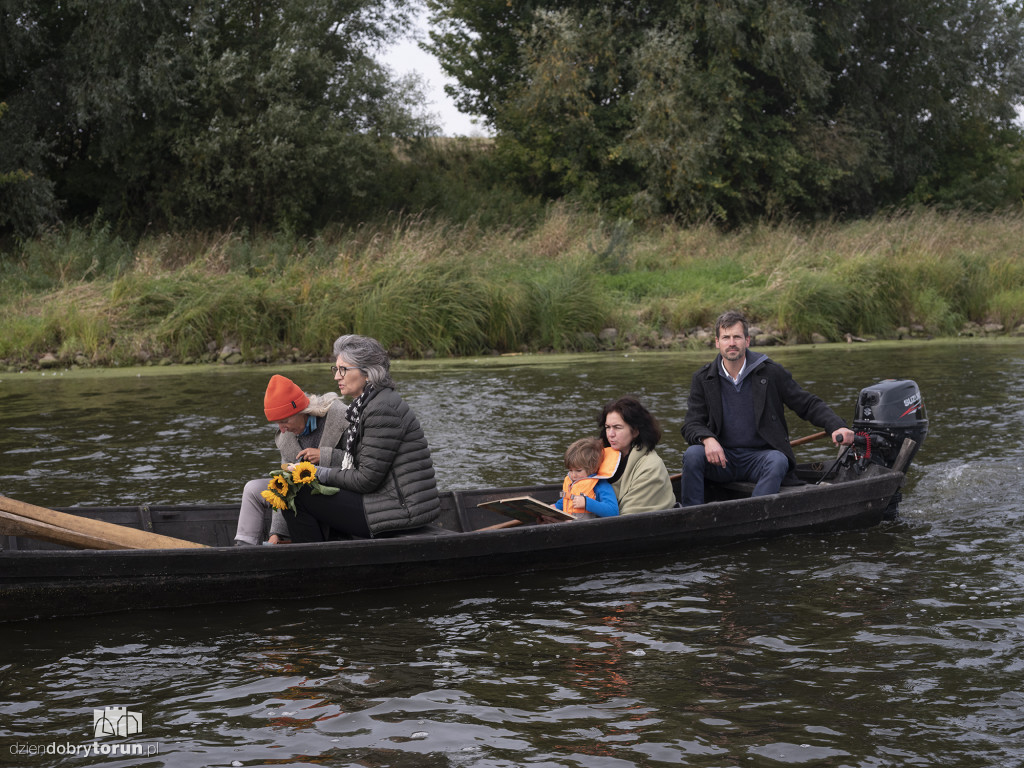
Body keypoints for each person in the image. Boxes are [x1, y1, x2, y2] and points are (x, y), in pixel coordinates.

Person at [680, 310, 855, 507]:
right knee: (693, 454)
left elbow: (807, 403)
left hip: (760, 459)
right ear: (716, 342)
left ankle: (754, 515)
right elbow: (691, 423)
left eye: (737, 337)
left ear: (747, 341)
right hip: (722, 460)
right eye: (726, 337)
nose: (731, 343)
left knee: (778, 460)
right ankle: (691, 514)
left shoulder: (771, 372)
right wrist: (708, 439)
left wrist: (836, 426)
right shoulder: (703, 378)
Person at [281, 334, 441, 542]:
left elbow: (365, 480)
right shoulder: (367, 405)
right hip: (387, 501)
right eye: (336, 369)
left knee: (295, 493)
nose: (337, 377)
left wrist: (316, 472)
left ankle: (315, 563)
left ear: (368, 373)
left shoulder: (382, 409)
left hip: (401, 510)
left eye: (343, 370)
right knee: (305, 486)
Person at [234, 374, 348, 545]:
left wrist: (325, 456)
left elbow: (362, 462)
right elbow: (283, 485)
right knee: (252, 489)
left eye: (285, 421)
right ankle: (243, 548)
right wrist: (277, 534)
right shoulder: (286, 439)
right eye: (277, 423)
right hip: (302, 498)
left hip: (337, 494)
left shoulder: (340, 417)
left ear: (301, 411)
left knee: (298, 493)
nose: (282, 430)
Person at [596, 396, 676, 514]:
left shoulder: (651, 466)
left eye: (617, 427)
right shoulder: (600, 458)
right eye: (608, 427)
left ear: (635, 431)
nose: (610, 434)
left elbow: (630, 516)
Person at [553, 437, 620, 520]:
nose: (573, 475)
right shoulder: (573, 481)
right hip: (570, 524)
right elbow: (567, 500)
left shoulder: (600, 485)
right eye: (570, 470)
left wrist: (586, 503)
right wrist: (555, 507)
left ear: (592, 468)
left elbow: (613, 511)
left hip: (589, 529)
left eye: (578, 470)